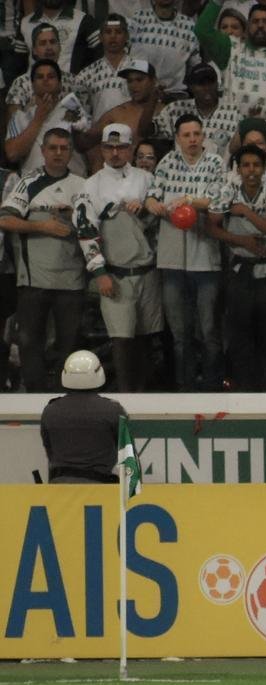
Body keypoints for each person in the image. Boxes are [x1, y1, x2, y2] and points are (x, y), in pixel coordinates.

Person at [75, 122, 162, 393]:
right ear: (101, 149)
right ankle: (127, 398)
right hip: (116, 272)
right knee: (121, 340)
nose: (115, 153)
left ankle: (148, 398)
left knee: (149, 337)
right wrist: (100, 273)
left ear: (130, 148)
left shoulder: (147, 179)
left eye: (121, 147)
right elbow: (85, 230)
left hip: (148, 271)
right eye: (109, 147)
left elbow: (159, 222)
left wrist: (145, 207)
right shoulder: (90, 185)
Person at [0, 127, 87, 392]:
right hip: (33, 280)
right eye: (53, 148)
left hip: (71, 280)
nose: (59, 153)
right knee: (30, 344)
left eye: (64, 148)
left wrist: (75, 216)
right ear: (43, 151)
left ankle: (69, 398)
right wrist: (42, 227)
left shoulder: (82, 185)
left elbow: (95, 227)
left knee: (69, 345)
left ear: (71, 152)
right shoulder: (28, 182)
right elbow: (4, 219)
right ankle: (35, 398)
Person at [145, 113, 225, 391]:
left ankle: (214, 388)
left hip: (205, 260)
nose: (192, 139)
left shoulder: (215, 162)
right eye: (186, 135)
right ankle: (185, 388)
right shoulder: (167, 162)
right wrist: (153, 203)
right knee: (180, 334)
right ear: (177, 138)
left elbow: (218, 198)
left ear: (203, 136)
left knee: (209, 331)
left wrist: (191, 200)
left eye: (196, 134)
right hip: (171, 260)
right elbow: (152, 194)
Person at [207, 144, 266, 391]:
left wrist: (244, 212)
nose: (251, 170)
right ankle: (243, 388)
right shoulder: (227, 191)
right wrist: (243, 241)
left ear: (263, 168)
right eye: (246, 165)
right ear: (238, 169)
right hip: (240, 269)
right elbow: (212, 226)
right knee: (239, 332)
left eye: (256, 165)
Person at [40, 350, 127, 484]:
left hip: (59, 487)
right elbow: (127, 454)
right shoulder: (113, 410)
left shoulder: (50, 411)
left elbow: (50, 452)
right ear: (99, 373)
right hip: (100, 488)